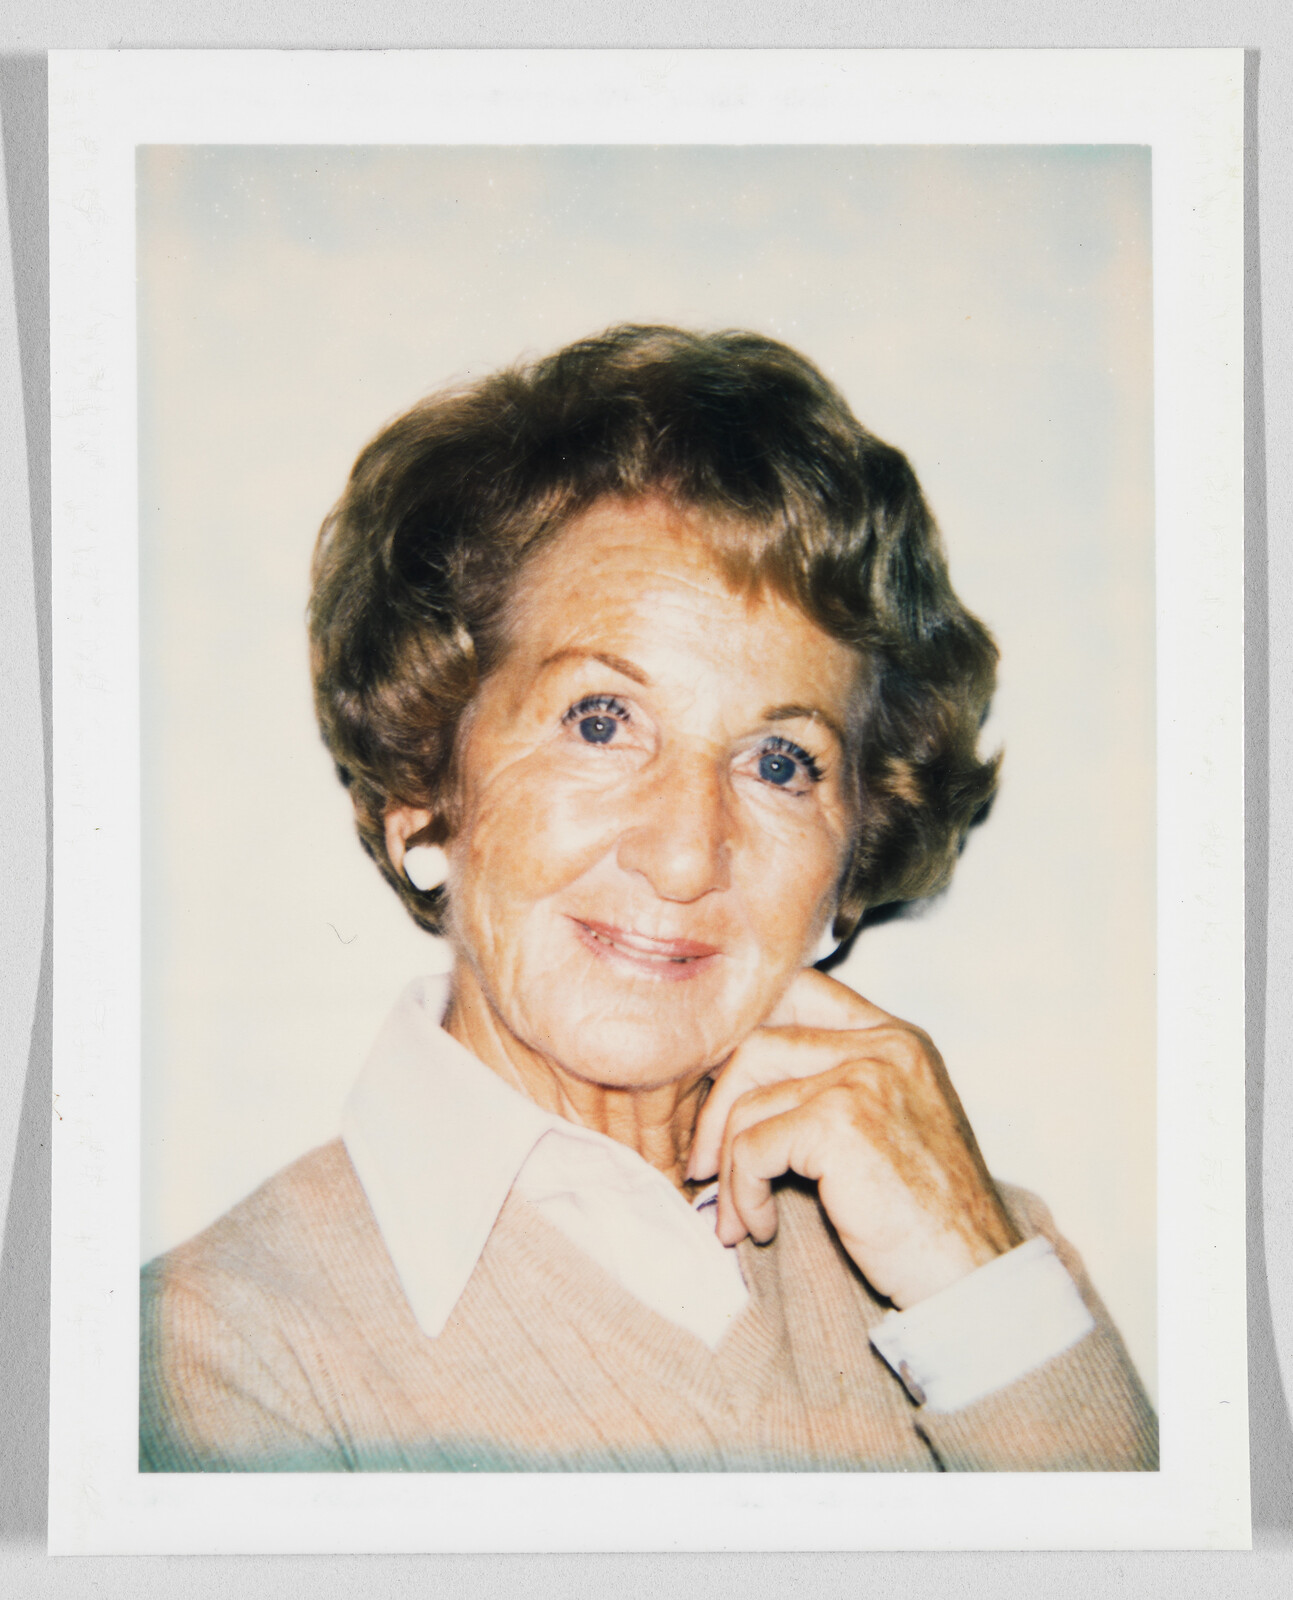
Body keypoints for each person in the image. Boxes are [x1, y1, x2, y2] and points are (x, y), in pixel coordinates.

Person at [140, 325, 1157, 1473]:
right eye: (601, 720)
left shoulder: (979, 1254)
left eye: (781, 761)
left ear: (848, 867)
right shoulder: (222, 1356)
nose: (685, 856)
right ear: (425, 793)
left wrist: (984, 1291)